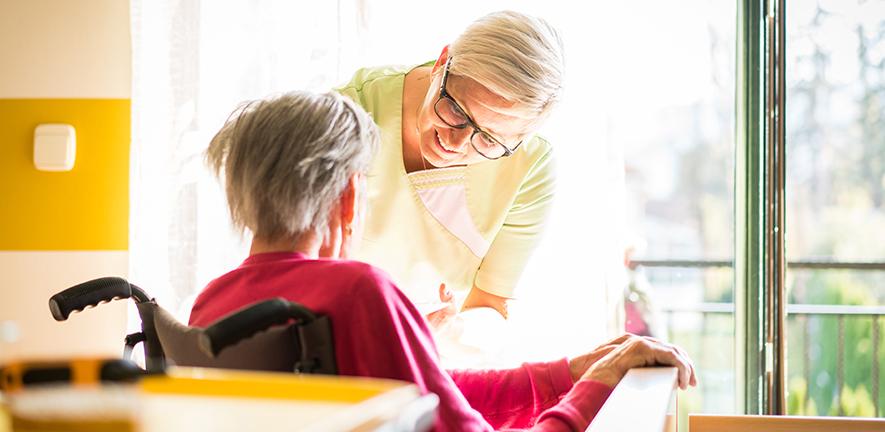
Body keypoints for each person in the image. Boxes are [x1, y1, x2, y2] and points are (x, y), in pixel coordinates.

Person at [189, 91, 697, 431]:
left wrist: (566, 376)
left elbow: (431, 394)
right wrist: (596, 392)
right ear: (349, 195)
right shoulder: (357, 290)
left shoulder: (214, 302)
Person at [335, 11, 564, 326]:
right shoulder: (350, 113)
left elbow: (491, 302)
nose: (456, 143)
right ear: (442, 63)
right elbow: (287, 265)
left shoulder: (528, 167)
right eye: (456, 110)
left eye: (488, 139)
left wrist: (452, 330)